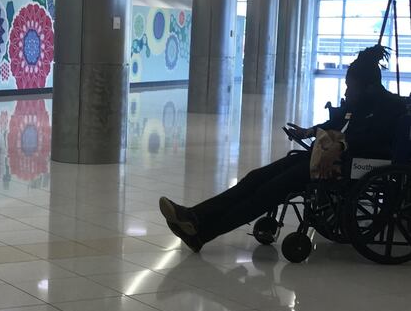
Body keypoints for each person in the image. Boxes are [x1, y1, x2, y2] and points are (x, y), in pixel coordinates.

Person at [160, 45, 406, 252]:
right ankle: (194, 216)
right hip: (325, 159)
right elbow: (336, 122)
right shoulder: (362, 101)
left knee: (269, 191)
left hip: (353, 166)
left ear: (369, 87)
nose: (346, 92)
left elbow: (373, 140)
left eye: (350, 88)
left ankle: (202, 232)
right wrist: (309, 131)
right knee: (256, 177)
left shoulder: (391, 107)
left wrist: (341, 144)